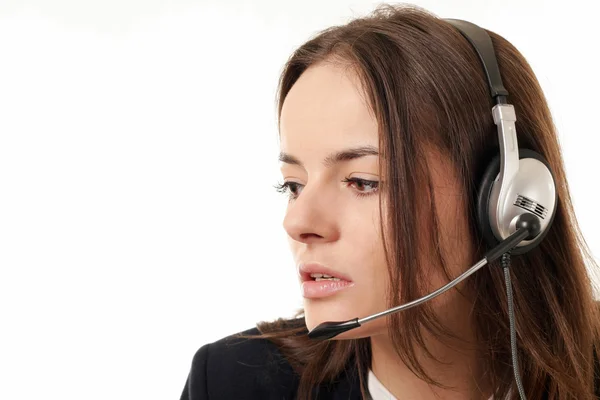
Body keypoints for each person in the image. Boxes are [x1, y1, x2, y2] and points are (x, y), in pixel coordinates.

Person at [179, 4, 600, 399]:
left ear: (508, 202)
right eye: (293, 185)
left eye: (362, 182)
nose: (298, 222)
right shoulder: (230, 382)